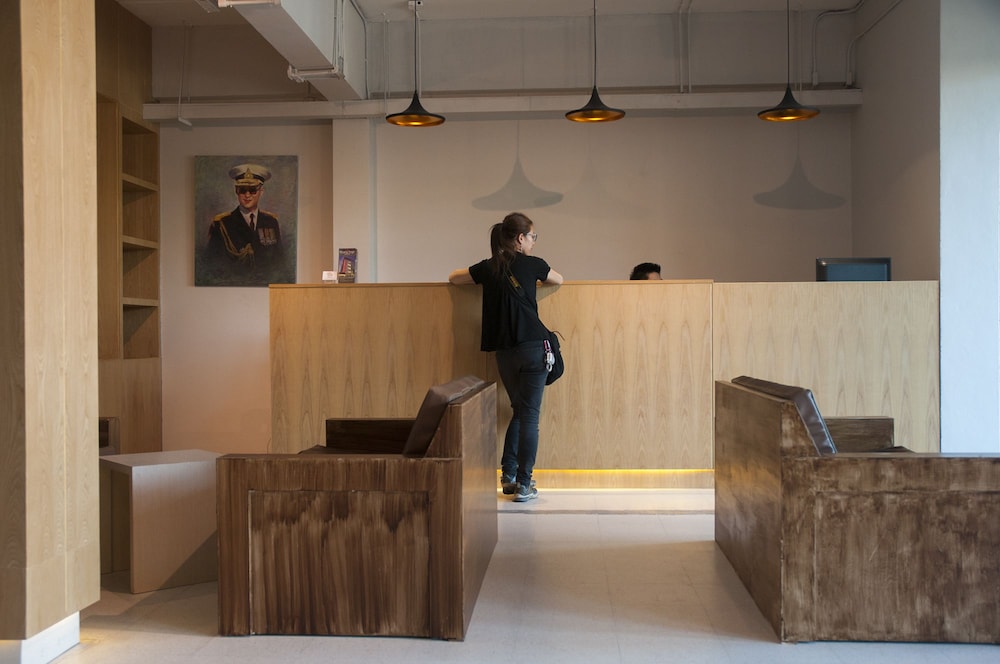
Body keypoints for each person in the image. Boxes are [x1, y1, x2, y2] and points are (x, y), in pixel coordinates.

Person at [449, 212, 564, 502]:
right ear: (520, 238)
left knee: (520, 410)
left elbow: (454, 278)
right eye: (533, 237)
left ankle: (509, 476)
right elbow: (559, 279)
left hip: (505, 353)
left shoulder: (489, 267)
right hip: (534, 348)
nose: (534, 242)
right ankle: (524, 484)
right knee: (530, 416)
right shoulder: (533, 264)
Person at [203, 163, 283, 283]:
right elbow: (212, 264)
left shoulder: (271, 222)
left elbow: (279, 261)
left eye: (252, 190)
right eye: (242, 190)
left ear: (261, 191)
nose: (247, 195)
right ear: (236, 191)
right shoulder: (221, 224)